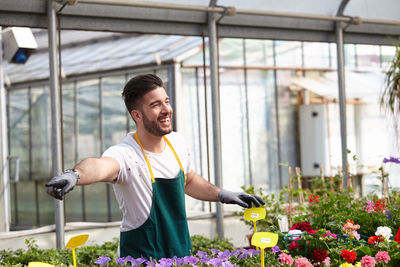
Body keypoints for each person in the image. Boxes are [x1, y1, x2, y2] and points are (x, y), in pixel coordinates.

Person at [45, 74, 265, 260]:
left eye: (166, 101)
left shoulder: (177, 143)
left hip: (180, 254)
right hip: (141, 258)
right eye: (156, 104)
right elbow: (100, 166)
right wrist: (74, 174)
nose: (166, 109)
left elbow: (188, 180)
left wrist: (222, 194)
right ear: (137, 115)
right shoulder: (125, 154)